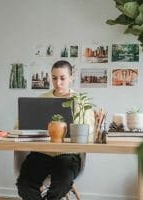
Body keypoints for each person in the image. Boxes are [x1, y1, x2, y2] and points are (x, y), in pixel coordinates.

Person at [16, 60, 94, 200]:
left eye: (62, 78)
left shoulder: (81, 102)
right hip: (41, 153)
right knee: (24, 185)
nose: (58, 83)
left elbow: (90, 132)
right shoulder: (40, 100)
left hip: (67, 155)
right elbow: (19, 126)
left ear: (71, 77)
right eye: (54, 78)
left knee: (61, 185)